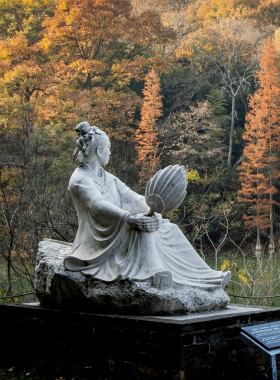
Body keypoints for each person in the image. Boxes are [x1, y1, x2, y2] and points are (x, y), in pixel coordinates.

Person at [63, 121, 230, 290]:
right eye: (109, 148)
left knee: (169, 228)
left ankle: (205, 276)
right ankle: (155, 273)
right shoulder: (80, 179)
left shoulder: (107, 177)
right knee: (143, 231)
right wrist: (131, 219)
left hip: (120, 227)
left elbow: (131, 197)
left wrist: (152, 211)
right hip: (99, 240)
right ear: (99, 151)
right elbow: (97, 204)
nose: (110, 152)